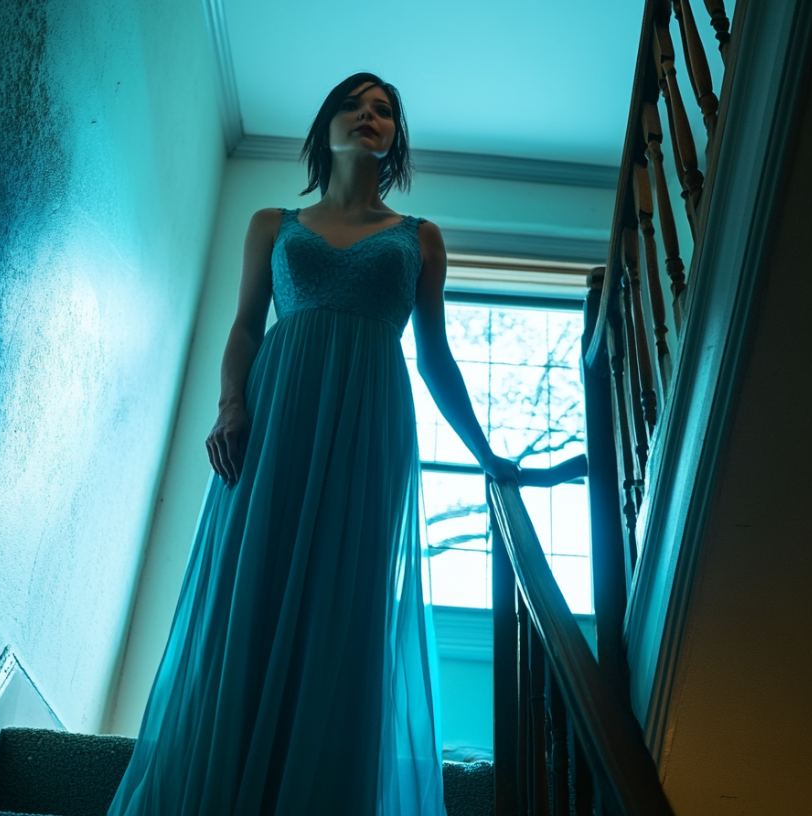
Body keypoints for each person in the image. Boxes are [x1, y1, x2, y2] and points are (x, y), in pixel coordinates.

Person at [107, 72, 518, 816]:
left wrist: (487, 455)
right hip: (275, 420)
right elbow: (243, 327)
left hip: (368, 434)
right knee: (249, 594)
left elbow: (435, 358)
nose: (370, 115)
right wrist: (231, 403)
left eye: (385, 109)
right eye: (355, 104)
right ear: (325, 125)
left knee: (343, 614)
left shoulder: (420, 238)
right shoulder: (273, 223)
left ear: (394, 138)